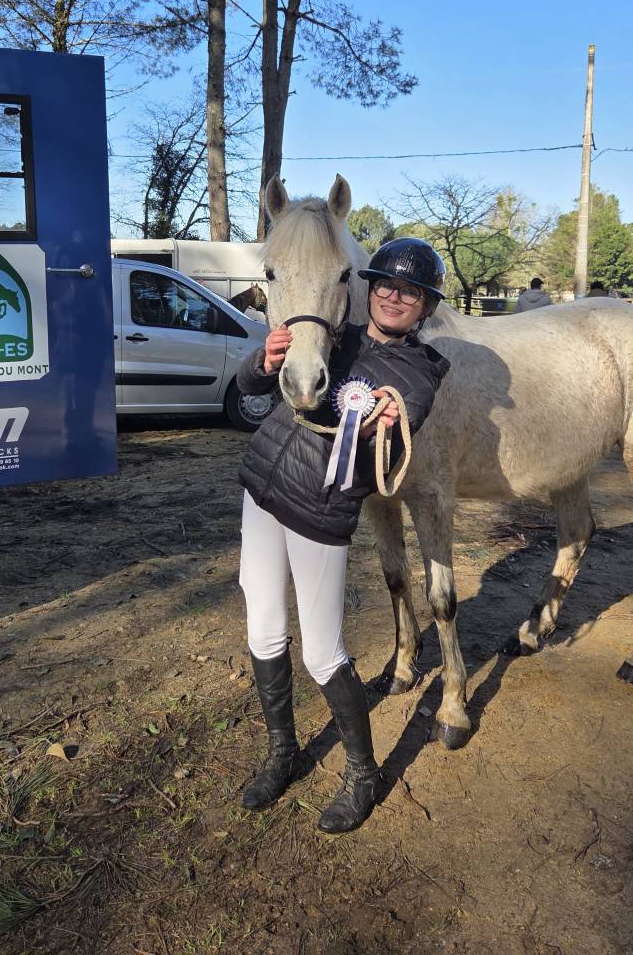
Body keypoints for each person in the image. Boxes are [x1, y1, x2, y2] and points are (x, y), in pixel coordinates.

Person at [235, 238, 450, 834]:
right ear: (368, 287)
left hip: (319, 514)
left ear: (426, 307)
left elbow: (400, 429)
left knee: (322, 652)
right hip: (260, 490)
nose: (394, 297)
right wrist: (264, 361)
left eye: (410, 293)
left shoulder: (419, 372)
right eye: (386, 284)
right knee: (264, 631)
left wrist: (387, 421)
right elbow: (250, 387)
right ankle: (283, 752)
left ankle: (362, 774)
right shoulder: (330, 331)